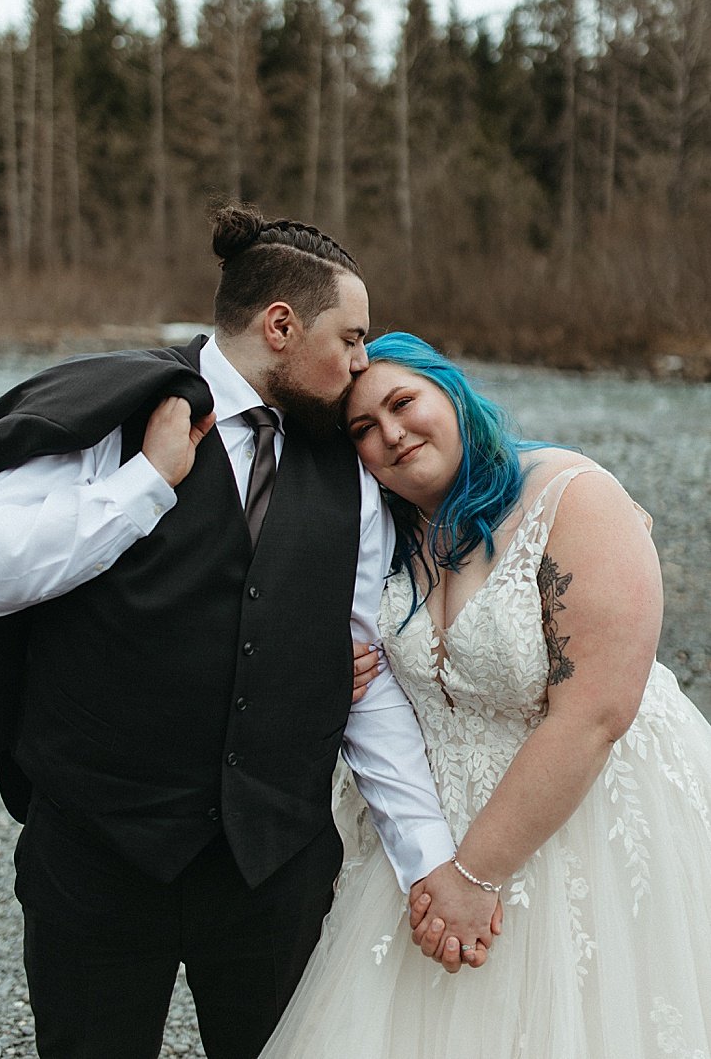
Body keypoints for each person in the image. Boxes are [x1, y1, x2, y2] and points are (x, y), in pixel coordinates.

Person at [0, 204, 487, 1059]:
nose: (362, 361)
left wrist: (426, 852)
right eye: (351, 338)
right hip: (95, 859)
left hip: (271, 869)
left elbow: (362, 669)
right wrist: (145, 483)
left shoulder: (349, 472)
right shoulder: (117, 415)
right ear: (281, 325)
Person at [259, 333, 711, 1056]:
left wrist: (475, 875)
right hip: (424, 830)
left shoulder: (570, 495)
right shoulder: (383, 534)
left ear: (453, 391)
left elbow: (596, 712)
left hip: (582, 812)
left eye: (403, 403)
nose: (392, 435)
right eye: (363, 431)